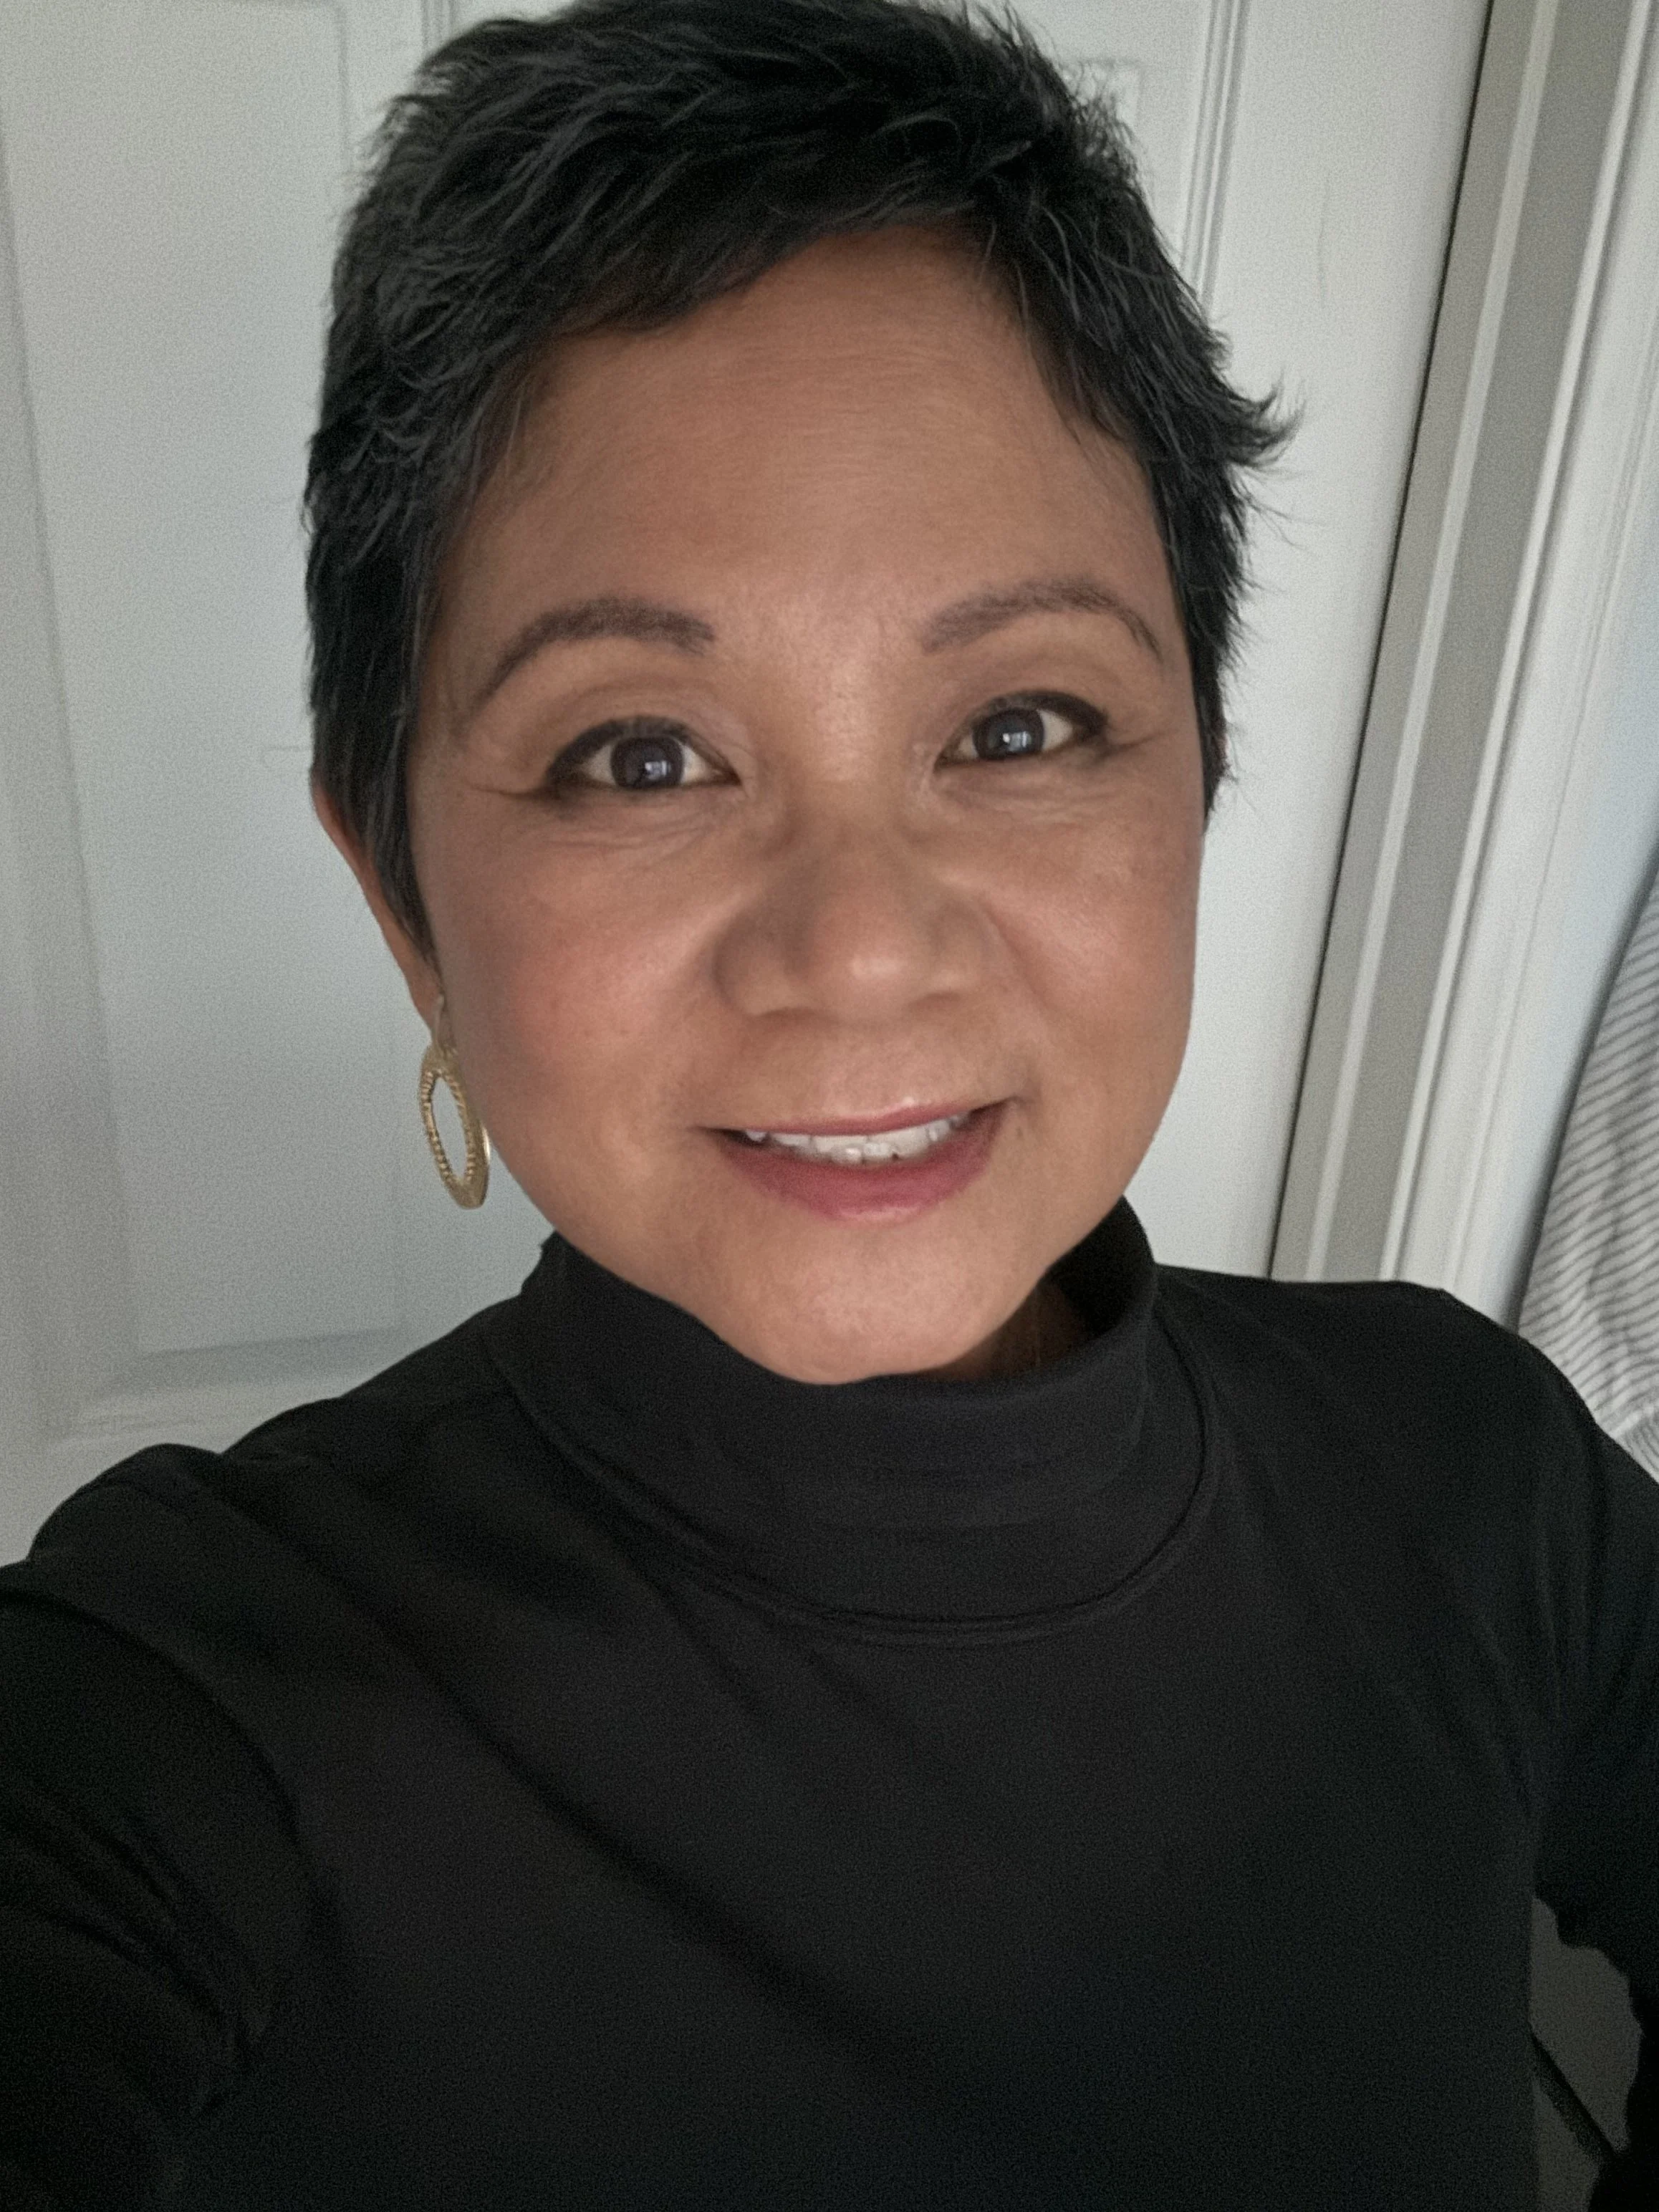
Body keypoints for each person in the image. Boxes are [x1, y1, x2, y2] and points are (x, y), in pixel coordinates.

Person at [2, 0, 1655, 2203]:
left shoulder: (1469, 1474)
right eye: (640, 756)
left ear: (1192, 782)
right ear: (403, 900)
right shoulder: (180, 1710)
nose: (862, 945)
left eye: (1018, 725)